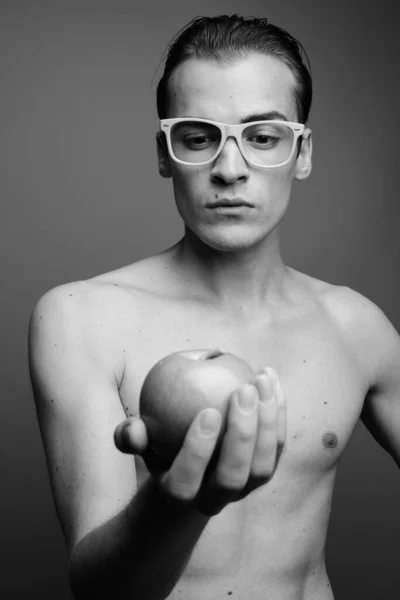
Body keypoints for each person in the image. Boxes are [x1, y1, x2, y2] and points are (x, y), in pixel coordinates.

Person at [28, 14, 400, 600]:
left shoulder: (356, 326)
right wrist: (180, 504)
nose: (230, 169)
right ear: (165, 153)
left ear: (301, 153)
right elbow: (97, 587)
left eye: (262, 137)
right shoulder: (81, 319)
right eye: (199, 137)